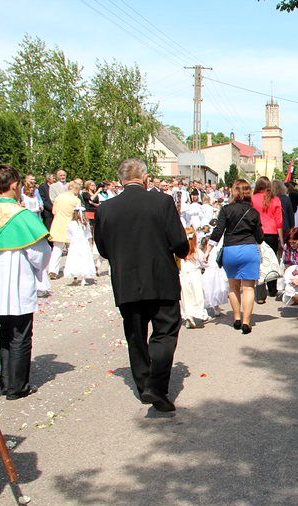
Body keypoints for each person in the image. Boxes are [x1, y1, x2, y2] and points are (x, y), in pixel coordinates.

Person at [94, 159, 189, 412]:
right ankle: (155, 386)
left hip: (126, 281)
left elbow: (103, 249)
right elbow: (179, 243)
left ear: (121, 179)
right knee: (165, 331)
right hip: (160, 279)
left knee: (135, 335)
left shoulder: (106, 208)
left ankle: (144, 384)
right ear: (145, 178)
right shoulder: (162, 202)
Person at [0, 165, 51, 400]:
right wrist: (40, 271)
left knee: (5, 331)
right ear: (13, 186)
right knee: (21, 333)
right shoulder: (22, 217)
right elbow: (40, 253)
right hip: (17, 281)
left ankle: (6, 379)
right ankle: (17, 385)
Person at [206, 178, 263, 334]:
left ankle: (236, 318)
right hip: (249, 250)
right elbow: (260, 237)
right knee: (249, 288)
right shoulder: (254, 212)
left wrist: (207, 251)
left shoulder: (225, 210)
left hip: (230, 250)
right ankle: (246, 322)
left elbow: (218, 232)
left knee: (233, 287)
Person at [252, 177, 283, 302]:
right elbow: (279, 221)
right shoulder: (275, 199)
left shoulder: (252, 199)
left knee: (258, 262)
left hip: (257, 233)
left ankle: (260, 294)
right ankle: (272, 289)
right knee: (272, 260)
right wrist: (281, 239)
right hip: (272, 233)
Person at [48, 180, 82, 279]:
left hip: (58, 224)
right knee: (72, 249)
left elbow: (54, 211)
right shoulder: (76, 200)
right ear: (75, 189)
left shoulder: (59, 197)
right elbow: (78, 215)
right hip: (70, 225)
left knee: (57, 249)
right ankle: (72, 270)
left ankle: (52, 270)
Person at [179, 228, 208, 329]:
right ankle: (199, 313)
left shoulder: (180, 253)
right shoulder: (197, 251)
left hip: (183, 275)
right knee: (197, 295)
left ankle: (188, 315)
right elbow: (204, 263)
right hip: (195, 275)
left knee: (186, 297)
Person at [64, 206, 96, 285]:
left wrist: (68, 246)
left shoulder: (71, 224)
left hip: (75, 244)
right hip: (83, 244)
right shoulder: (86, 223)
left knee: (75, 259)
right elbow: (89, 236)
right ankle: (83, 278)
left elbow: (69, 236)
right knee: (84, 259)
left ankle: (75, 277)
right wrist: (91, 244)